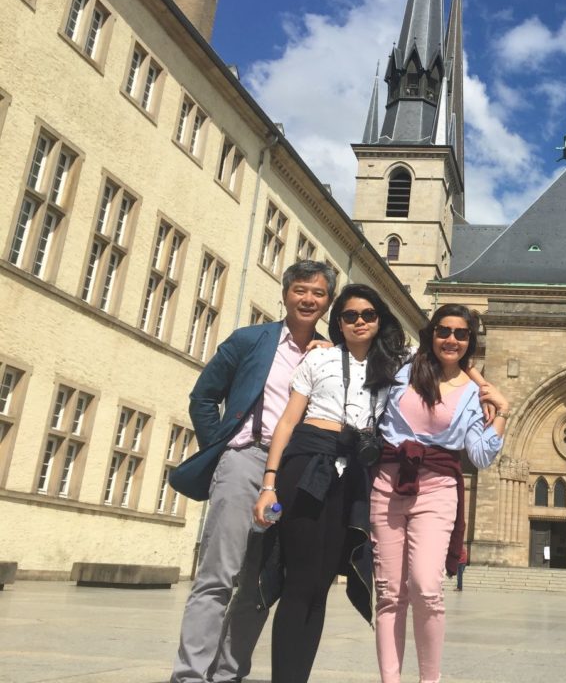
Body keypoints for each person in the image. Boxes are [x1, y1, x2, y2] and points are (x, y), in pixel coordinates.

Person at [169, 260, 336, 683]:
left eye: (318, 293)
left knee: (262, 581)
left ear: (328, 302)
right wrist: (223, 447)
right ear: (285, 294)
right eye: (300, 290)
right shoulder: (250, 341)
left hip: (293, 473)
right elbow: (203, 397)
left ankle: (228, 673)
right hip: (246, 460)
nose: (308, 299)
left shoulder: (331, 356)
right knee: (217, 575)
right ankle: (190, 675)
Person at [252, 284, 405, 683]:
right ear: (338, 322)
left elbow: (440, 362)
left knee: (321, 583)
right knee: (300, 577)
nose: (359, 322)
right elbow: (287, 421)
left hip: (354, 471)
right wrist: (269, 483)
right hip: (307, 464)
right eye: (350, 315)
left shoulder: (391, 370)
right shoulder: (318, 360)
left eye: (367, 315)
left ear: (379, 320)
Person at [371, 304, 511, 683]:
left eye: (460, 334)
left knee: (426, 585)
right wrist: (322, 345)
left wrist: (502, 411)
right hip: (387, 482)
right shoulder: (403, 370)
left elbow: (480, 455)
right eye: (443, 331)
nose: (451, 339)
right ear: (431, 334)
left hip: (436, 489)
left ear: (470, 341)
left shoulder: (470, 394)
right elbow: (365, 351)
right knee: (388, 592)